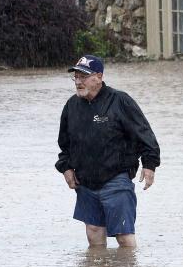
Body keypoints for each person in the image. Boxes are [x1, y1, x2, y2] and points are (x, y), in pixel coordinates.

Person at [55, 55, 161, 248]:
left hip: (116, 179)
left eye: (83, 77)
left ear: (99, 76)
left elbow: (144, 134)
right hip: (85, 182)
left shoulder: (120, 101)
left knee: (124, 237)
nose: (78, 82)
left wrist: (149, 165)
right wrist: (66, 167)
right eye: (76, 77)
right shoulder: (71, 106)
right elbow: (64, 143)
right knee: (93, 236)